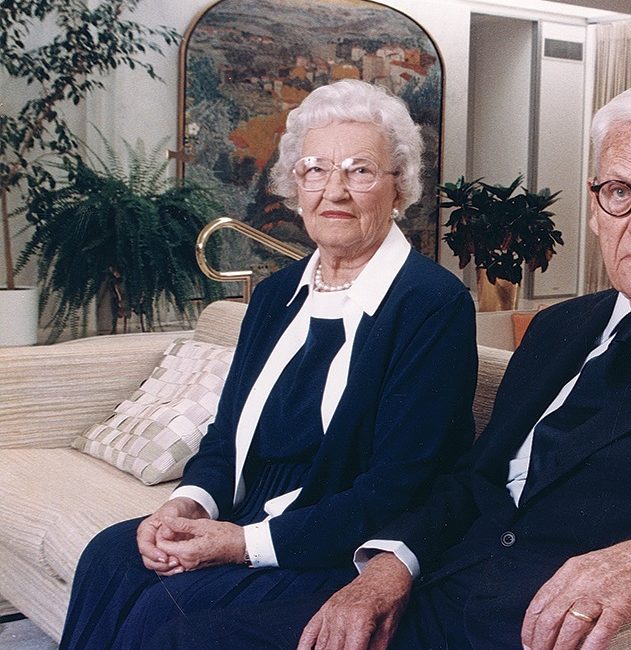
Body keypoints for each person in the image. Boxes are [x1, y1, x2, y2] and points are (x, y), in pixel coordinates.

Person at [151, 84, 631, 650]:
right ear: (598, 206)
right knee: (173, 619)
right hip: (435, 592)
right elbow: (475, 482)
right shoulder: (560, 329)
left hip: (531, 627)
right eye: (618, 193)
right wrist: (389, 567)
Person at [59, 79, 478, 649]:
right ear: (294, 186)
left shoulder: (432, 304)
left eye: (360, 171)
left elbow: (395, 488)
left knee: (172, 612)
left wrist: (237, 543)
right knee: (111, 555)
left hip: (332, 539)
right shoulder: (274, 295)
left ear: (398, 188)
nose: (335, 191)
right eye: (315, 170)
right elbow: (225, 436)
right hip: (242, 517)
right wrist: (188, 504)